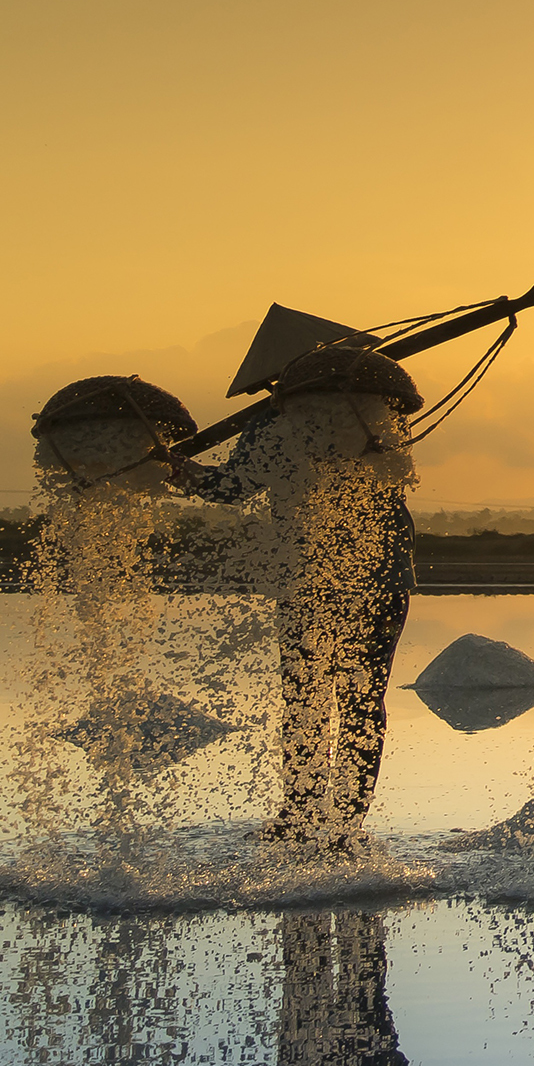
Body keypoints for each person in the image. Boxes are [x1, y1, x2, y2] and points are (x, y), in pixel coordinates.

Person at [168, 346, 424, 844]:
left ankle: (303, 814)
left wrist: (175, 468)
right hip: (374, 579)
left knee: (309, 696)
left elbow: (229, 489)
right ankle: (345, 822)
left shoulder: (275, 424)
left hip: (318, 578)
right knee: (362, 698)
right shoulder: (377, 412)